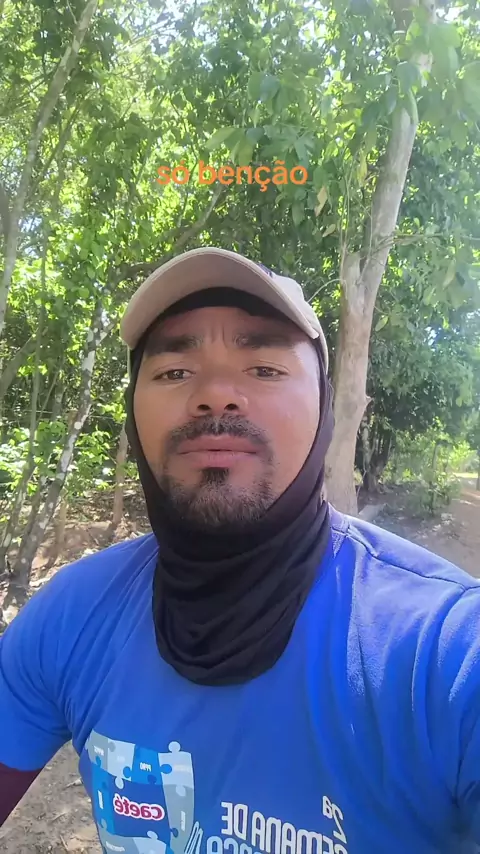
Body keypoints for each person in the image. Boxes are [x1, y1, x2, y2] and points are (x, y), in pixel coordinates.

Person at [0, 246, 479, 854]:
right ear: (132, 415)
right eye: (175, 372)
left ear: (325, 408)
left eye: (265, 368)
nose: (216, 396)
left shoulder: (445, 651)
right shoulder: (72, 616)